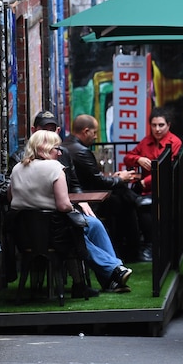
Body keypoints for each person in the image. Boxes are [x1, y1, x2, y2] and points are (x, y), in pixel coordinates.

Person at [10, 111, 132, 294]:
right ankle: (114, 270)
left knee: (93, 224)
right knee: (77, 233)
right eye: (56, 149)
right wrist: (70, 207)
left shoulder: (17, 168)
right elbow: (63, 206)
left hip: (24, 230)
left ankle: (112, 277)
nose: (59, 153)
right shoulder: (55, 167)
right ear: (45, 147)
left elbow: (10, 199)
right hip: (53, 230)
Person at [63, 114, 144, 262]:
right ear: (85, 131)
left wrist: (116, 178)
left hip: (83, 195)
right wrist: (120, 178)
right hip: (87, 199)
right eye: (94, 133)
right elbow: (99, 181)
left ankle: (129, 247)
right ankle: (132, 249)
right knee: (123, 201)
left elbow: (95, 178)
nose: (95, 137)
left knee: (122, 196)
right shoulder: (81, 151)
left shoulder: (66, 144)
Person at [123, 107, 183, 262]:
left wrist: (144, 182)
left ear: (168, 125)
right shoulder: (146, 141)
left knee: (143, 204)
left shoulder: (174, 142)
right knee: (124, 199)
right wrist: (138, 160)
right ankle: (134, 246)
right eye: (154, 125)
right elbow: (128, 157)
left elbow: (167, 170)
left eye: (161, 125)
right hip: (147, 189)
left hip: (167, 189)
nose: (157, 129)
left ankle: (150, 245)